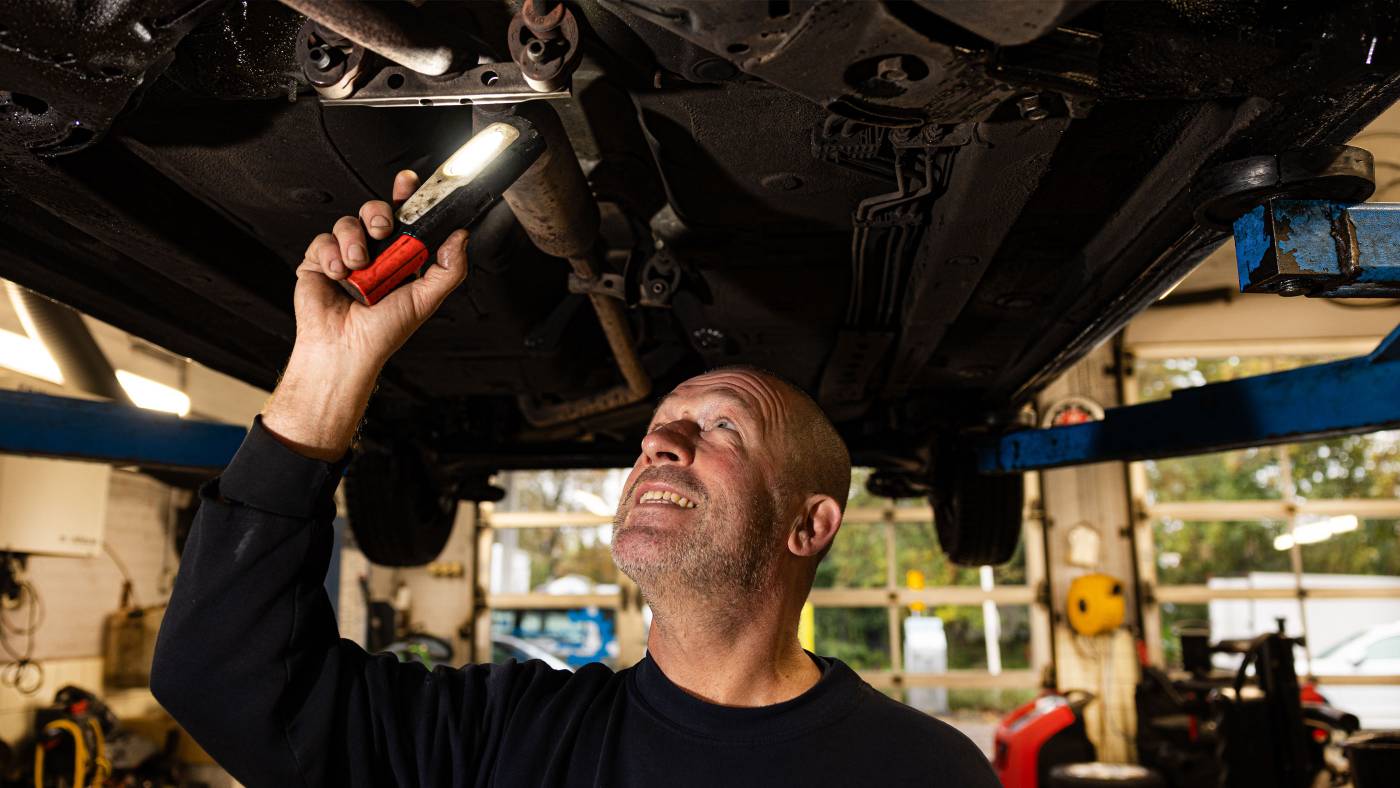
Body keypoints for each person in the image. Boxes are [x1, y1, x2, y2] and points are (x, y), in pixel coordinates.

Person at [151, 172, 999, 787]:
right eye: (658, 424)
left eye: (721, 427)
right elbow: (227, 682)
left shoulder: (926, 769)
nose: (659, 440)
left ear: (810, 526)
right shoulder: (502, 736)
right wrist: (328, 372)